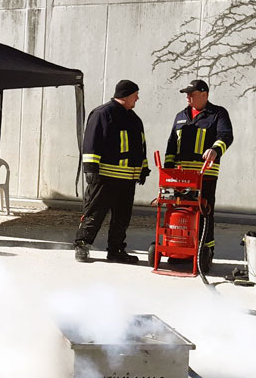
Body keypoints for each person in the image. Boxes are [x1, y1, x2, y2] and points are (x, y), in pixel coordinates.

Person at [74, 80, 149, 264]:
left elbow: (141, 146)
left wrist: (143, 168)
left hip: (127, 179)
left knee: (122, 218)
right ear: (126, 95)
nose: (137, 98)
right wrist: (90, 169)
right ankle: (82, 245)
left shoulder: (134, 119)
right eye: (135, 94)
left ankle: (115, 250)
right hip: (105, 178)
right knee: (95, 213)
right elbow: (91, 141)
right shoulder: (103, 113)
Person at [163, 79, 233, 267]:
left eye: (192, 94)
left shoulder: (217, 114)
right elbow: (171, 145)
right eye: (187, 94)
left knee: (204, 212)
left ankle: (205, 252)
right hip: (179, 176)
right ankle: (178, 250)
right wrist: (167, 172)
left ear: (205, 94)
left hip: (205, 175)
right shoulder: (180, 116)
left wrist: (215, 150)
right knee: (179, 210)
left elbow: (226, 136)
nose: (188, 97)